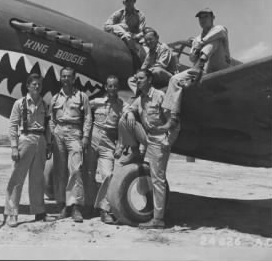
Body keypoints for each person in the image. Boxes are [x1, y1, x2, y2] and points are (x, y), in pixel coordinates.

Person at [118, 69, 180, 229]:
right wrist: (130, 113)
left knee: (157, 180)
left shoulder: (160, 95)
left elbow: (174, 122)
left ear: (150, 80)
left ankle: (158, 219)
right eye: (136, 78)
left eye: (141, 78)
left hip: (159, 142)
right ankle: (135, 152)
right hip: (147, 138)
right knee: (124, 119)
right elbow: (128, 108)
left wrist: (168, 141)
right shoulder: (140, 99)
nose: (138, 81)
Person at [5, 73, 54, 227]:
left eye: (39, 84)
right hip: (25, 140)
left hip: (40, 141)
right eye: (34, 84)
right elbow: (12, 126)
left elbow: (48, 127)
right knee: (17, 178)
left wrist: (48, 144)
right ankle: (12, 214)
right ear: (28, 86)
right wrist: (14, 147)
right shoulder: (19, 103)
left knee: (37, 179)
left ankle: (39, 212)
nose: (37, 87)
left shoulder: (44, 105)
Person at [161, 8, 231, 118]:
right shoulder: (197, 39)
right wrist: (196, 49)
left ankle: (199, 66)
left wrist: (201, 43)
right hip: (204, 70)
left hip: (222, 66)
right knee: (174, 79)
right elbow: (192, 59)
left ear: (213, 18)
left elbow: (220, 32)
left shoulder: (219, 28)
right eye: (200, 18)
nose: (203, 20)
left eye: (206, 17)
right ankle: (170, 114)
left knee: (214, 40)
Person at [83, 75, 128, 224]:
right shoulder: (96, 102)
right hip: (92, 139)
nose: (112, 89)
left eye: (115, 86)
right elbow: (82, 110)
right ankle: (89, 206)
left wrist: (121, 146)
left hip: (108, 142)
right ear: (105, 87)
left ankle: (104, 209)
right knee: (88, 174)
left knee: (108, 175)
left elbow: (126, 124)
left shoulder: (123, 106)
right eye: (110, 86)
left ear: (118, 88)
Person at [49, 67, 92, 223]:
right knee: (59, 171)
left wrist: (86, 136)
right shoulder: (55, 98)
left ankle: (75, 207)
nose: (66, 79)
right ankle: (62, 206)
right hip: (59, 132)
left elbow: (87, 117)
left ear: (74, 79)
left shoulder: (82, 97)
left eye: (69, 76)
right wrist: (52, 134)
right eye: (63, 76)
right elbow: (51, 119)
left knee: (75, 169)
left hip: (75, 132)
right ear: (60, 78)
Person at [128, 27, 178, 94]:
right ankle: (140, 93)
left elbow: (161, 66)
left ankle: (148, 90)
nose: (148, 42)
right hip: (153, 74)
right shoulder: (150, 52)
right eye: (146, 40)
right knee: (131, 80)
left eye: (150, 39)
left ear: (157, 38)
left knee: (157, 70)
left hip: (170, 77)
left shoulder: (164, 48)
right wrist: (138, 74)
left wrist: (145, 73)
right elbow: (144, 67)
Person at [104, 0, 147, 65]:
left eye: (131, 0)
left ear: (134, 1)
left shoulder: (140, 15)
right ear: (123, 3)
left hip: (135, 38)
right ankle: (135, 54)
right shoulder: (119, 13)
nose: (129, 3)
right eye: (127, 1)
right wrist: (121, 26)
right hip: (120, 35)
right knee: (121, 30)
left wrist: (135, 36)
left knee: (147, 48)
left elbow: (141, 31)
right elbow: (106, 26)